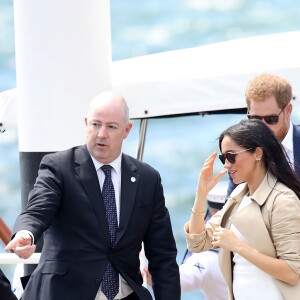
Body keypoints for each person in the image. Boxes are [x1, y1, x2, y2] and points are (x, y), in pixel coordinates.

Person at [5, 91, 181, 300]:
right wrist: (26, 233)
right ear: (86, 123)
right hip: (64, 294)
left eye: (111, 127)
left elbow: (163, 256)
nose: (101, 134)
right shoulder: (58, 167)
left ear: (127, 130)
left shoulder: (147, 179)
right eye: (96, 124)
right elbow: (38, 208)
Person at [185, 119, 300, 300]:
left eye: (231, 156)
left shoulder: (282, 200)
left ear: (258, 153)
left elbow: (292, 272)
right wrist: (201, 194)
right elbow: (198, 243)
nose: (226, 164)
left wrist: (238, 246)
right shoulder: (239, 195)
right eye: (224, 158)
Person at [143, 182, 228, 300]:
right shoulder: (207, 259)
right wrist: (152, 277)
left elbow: (176, 281)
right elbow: (180, 279)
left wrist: (153, 276)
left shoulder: (206, 258)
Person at [227, 73, 300, 196]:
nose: (261, 126)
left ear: (288, 110)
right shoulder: (242, 152)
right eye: (255, 119)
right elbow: (233, 208)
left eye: (271, 119)